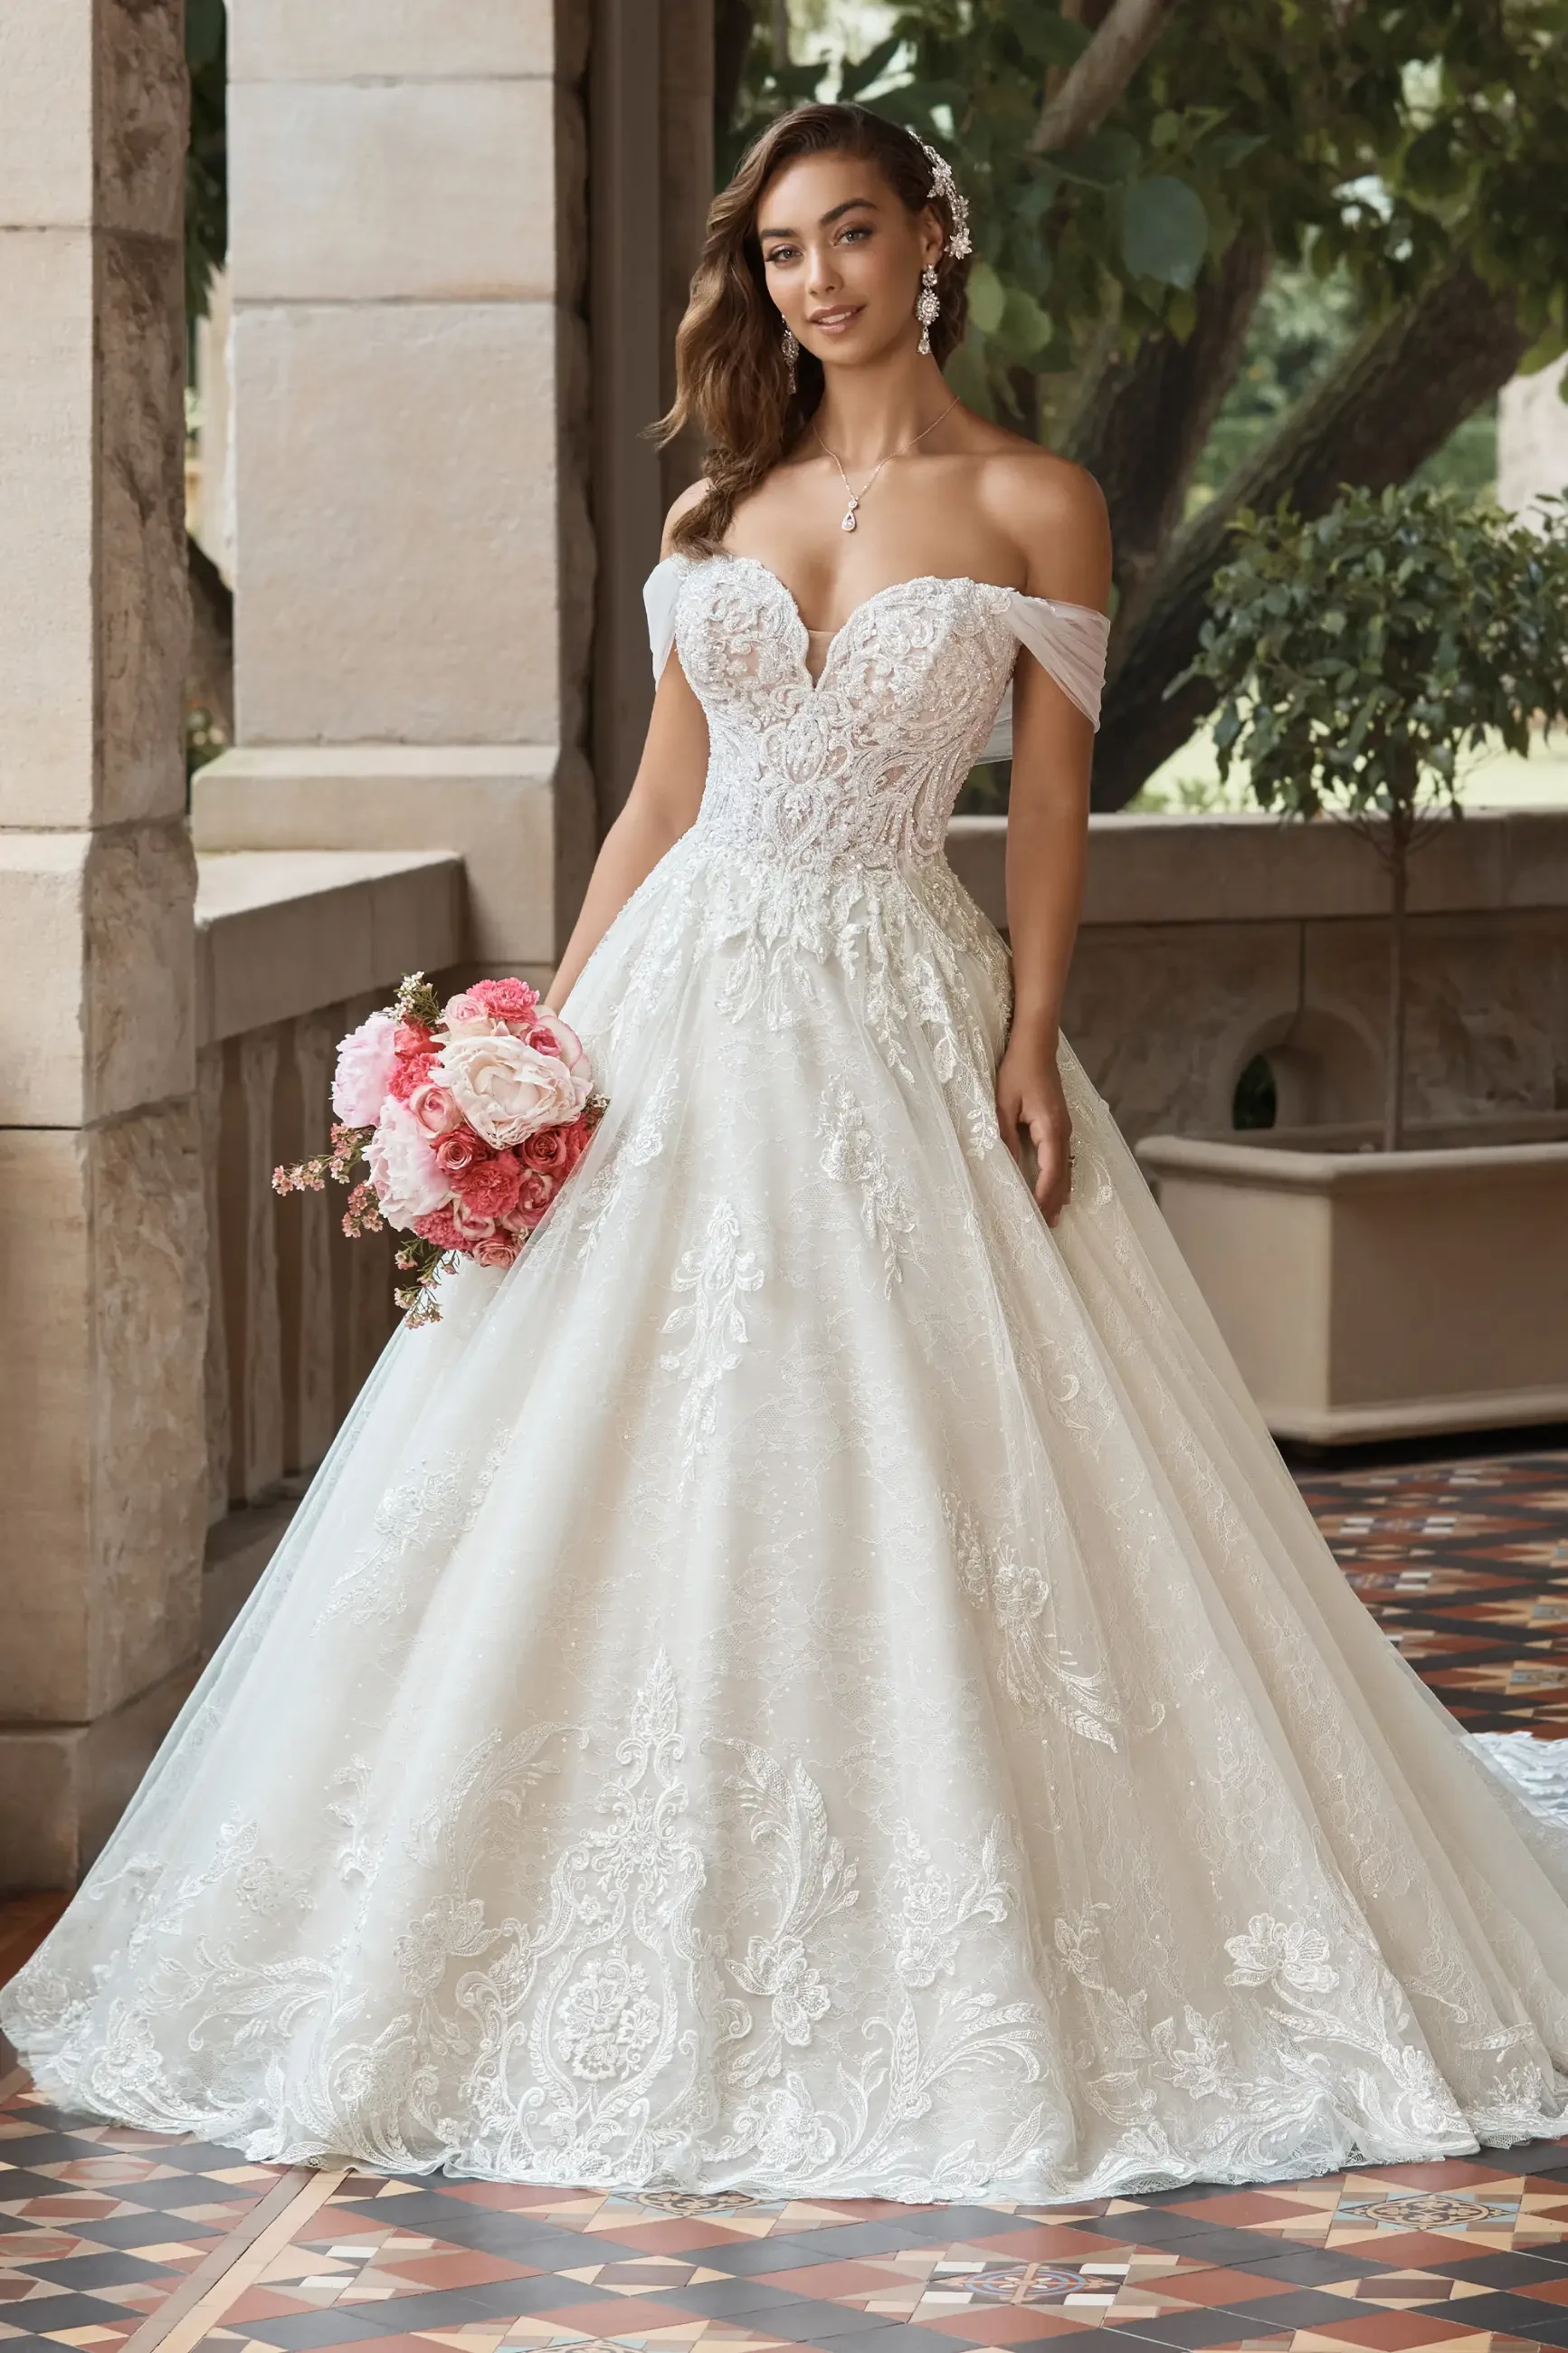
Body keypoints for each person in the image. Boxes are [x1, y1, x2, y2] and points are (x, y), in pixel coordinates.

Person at [7, 102, 1568, 2204]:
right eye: (774, 251)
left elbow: (1040, 811)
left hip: (898, 1011)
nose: (810, 280)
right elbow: (658, 805)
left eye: (848, 235)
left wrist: (1024, 1035)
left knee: (929, 1456)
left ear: (932, 239)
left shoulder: (1037, 501)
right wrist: (524, 1042)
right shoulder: (718, 509)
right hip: (681, 1007)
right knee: (594, 1456)